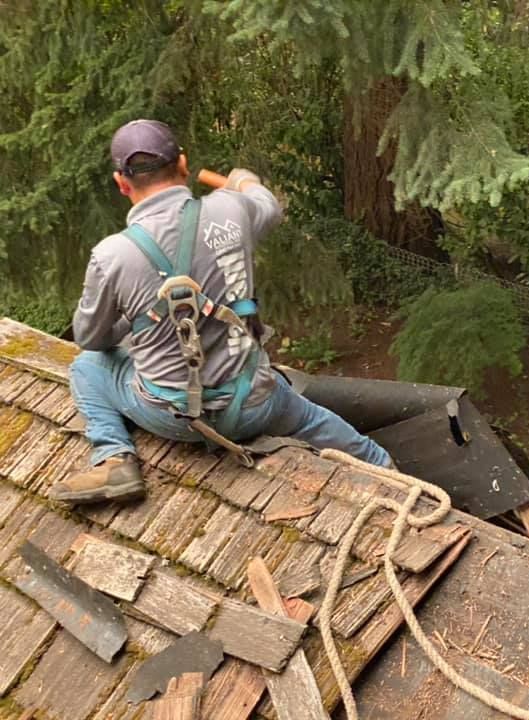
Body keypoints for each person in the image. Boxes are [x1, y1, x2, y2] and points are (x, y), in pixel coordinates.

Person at [51, 119, 392, 506]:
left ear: (121, 183)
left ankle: (115, 457)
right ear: (182, 164)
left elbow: (91, 339)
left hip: (173, 419)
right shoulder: (231, 209)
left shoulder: (111, 255)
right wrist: (243, 179)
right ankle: (390, 474)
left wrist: (140, 319)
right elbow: (268, 205)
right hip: (256, 403)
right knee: (328, 428)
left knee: (86, 367)